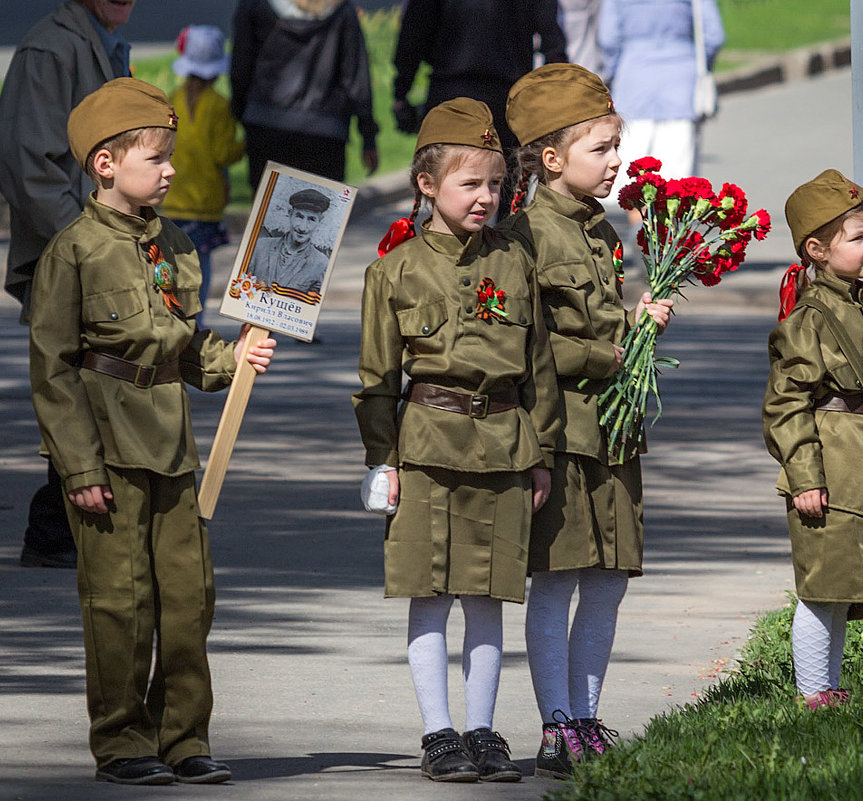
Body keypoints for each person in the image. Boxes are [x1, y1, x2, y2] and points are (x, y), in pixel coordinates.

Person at [28, 78, 277, 785]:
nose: (171, 169)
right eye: (156, 157)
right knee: (119, 603)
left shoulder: (169, 242)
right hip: (105, 450)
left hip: (170, 445)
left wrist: (235, 359)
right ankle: (121, 742)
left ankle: (183, 738)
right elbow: (53, 369)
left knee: (188, 597)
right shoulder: (73, 250)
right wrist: (77, 468)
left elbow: (181, 344)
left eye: (171, 156)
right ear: (105, 164)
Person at [352, 98, 559, 783]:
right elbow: (377, 379)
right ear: (426, 184)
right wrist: (383, 460)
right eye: (469, 183)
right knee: (430, 592)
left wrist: (540, 455)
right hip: (426, 448)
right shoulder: (394, 271)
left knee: (487, 594)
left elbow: (538, 372)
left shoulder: (515, 262)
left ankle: (482, 728)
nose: (485, 197)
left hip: (503, 446)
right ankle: (438, 732)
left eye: (495, 185)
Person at [501, 63, 673, 779]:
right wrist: (615, 347)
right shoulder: (527, 235)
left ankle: (588, 715)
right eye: (600, 148)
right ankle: (555, 724)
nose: (615, 162)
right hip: (561, 431)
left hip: (612, 431)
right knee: (558, 575)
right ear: (550, 157)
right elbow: (528, 339)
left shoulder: (597, 229)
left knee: (607, 577)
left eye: (614, 146)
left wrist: (636, 327)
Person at [763, 169, 863, 709]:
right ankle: (812, 692)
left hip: (858, 468)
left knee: (843, 585)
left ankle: (828, 688)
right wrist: (805, 477)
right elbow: (788, 406)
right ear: (817, 249)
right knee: (821, 589)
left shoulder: (854, 304)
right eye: (858, 237)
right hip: (828, 472)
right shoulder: (810, 317)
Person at [0, 0, 138, 569]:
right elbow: (21, 159)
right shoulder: (52, 47)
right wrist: (87, 241)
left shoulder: (97, 38)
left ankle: (67, 525)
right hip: (72, 254)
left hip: (99, 248)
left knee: (100, 384)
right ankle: (57, 527)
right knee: (76, 383)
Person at [391, 0, 567, 213]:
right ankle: (506, 239)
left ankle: (452, 239)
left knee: (450, 176)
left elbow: (414, 32)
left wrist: (401, 89)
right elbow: (551, 36)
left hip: (452, 88)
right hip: (506, 91)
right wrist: (556, 95)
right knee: (504, 183)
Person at [230, 0, 379, 188]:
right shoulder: (342, 10)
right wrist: (368, 136)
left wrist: (240, 112)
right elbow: (355, 76)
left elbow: (241, 66)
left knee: (267, 213)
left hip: (266, 124)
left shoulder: (255, 6)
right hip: (324, 130)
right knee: (319, 212)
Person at [599, 0, 724, 221]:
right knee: (675, 179)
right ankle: (664, 246)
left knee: (634, 175)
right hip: (680, 81)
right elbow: (713, 35)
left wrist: (615, 69)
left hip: (634, 79)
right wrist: (700, 63)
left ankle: (640, 234)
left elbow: (608, 37)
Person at [161, 24, 246, 329]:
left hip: (172, 199)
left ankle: (173, 313)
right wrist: (245, 145)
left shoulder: (172, 100)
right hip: (206, 204)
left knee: (173, 262)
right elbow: (224, 153)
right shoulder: (219, 106)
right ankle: (195, 319)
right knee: (201, 264)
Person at [248, 188, 331, 295]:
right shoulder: (259, 247)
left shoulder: (321, 264)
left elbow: (312, 305)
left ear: (320, 220)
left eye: (311, 219)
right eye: (299, 216)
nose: (303, 227)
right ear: (290, 214)